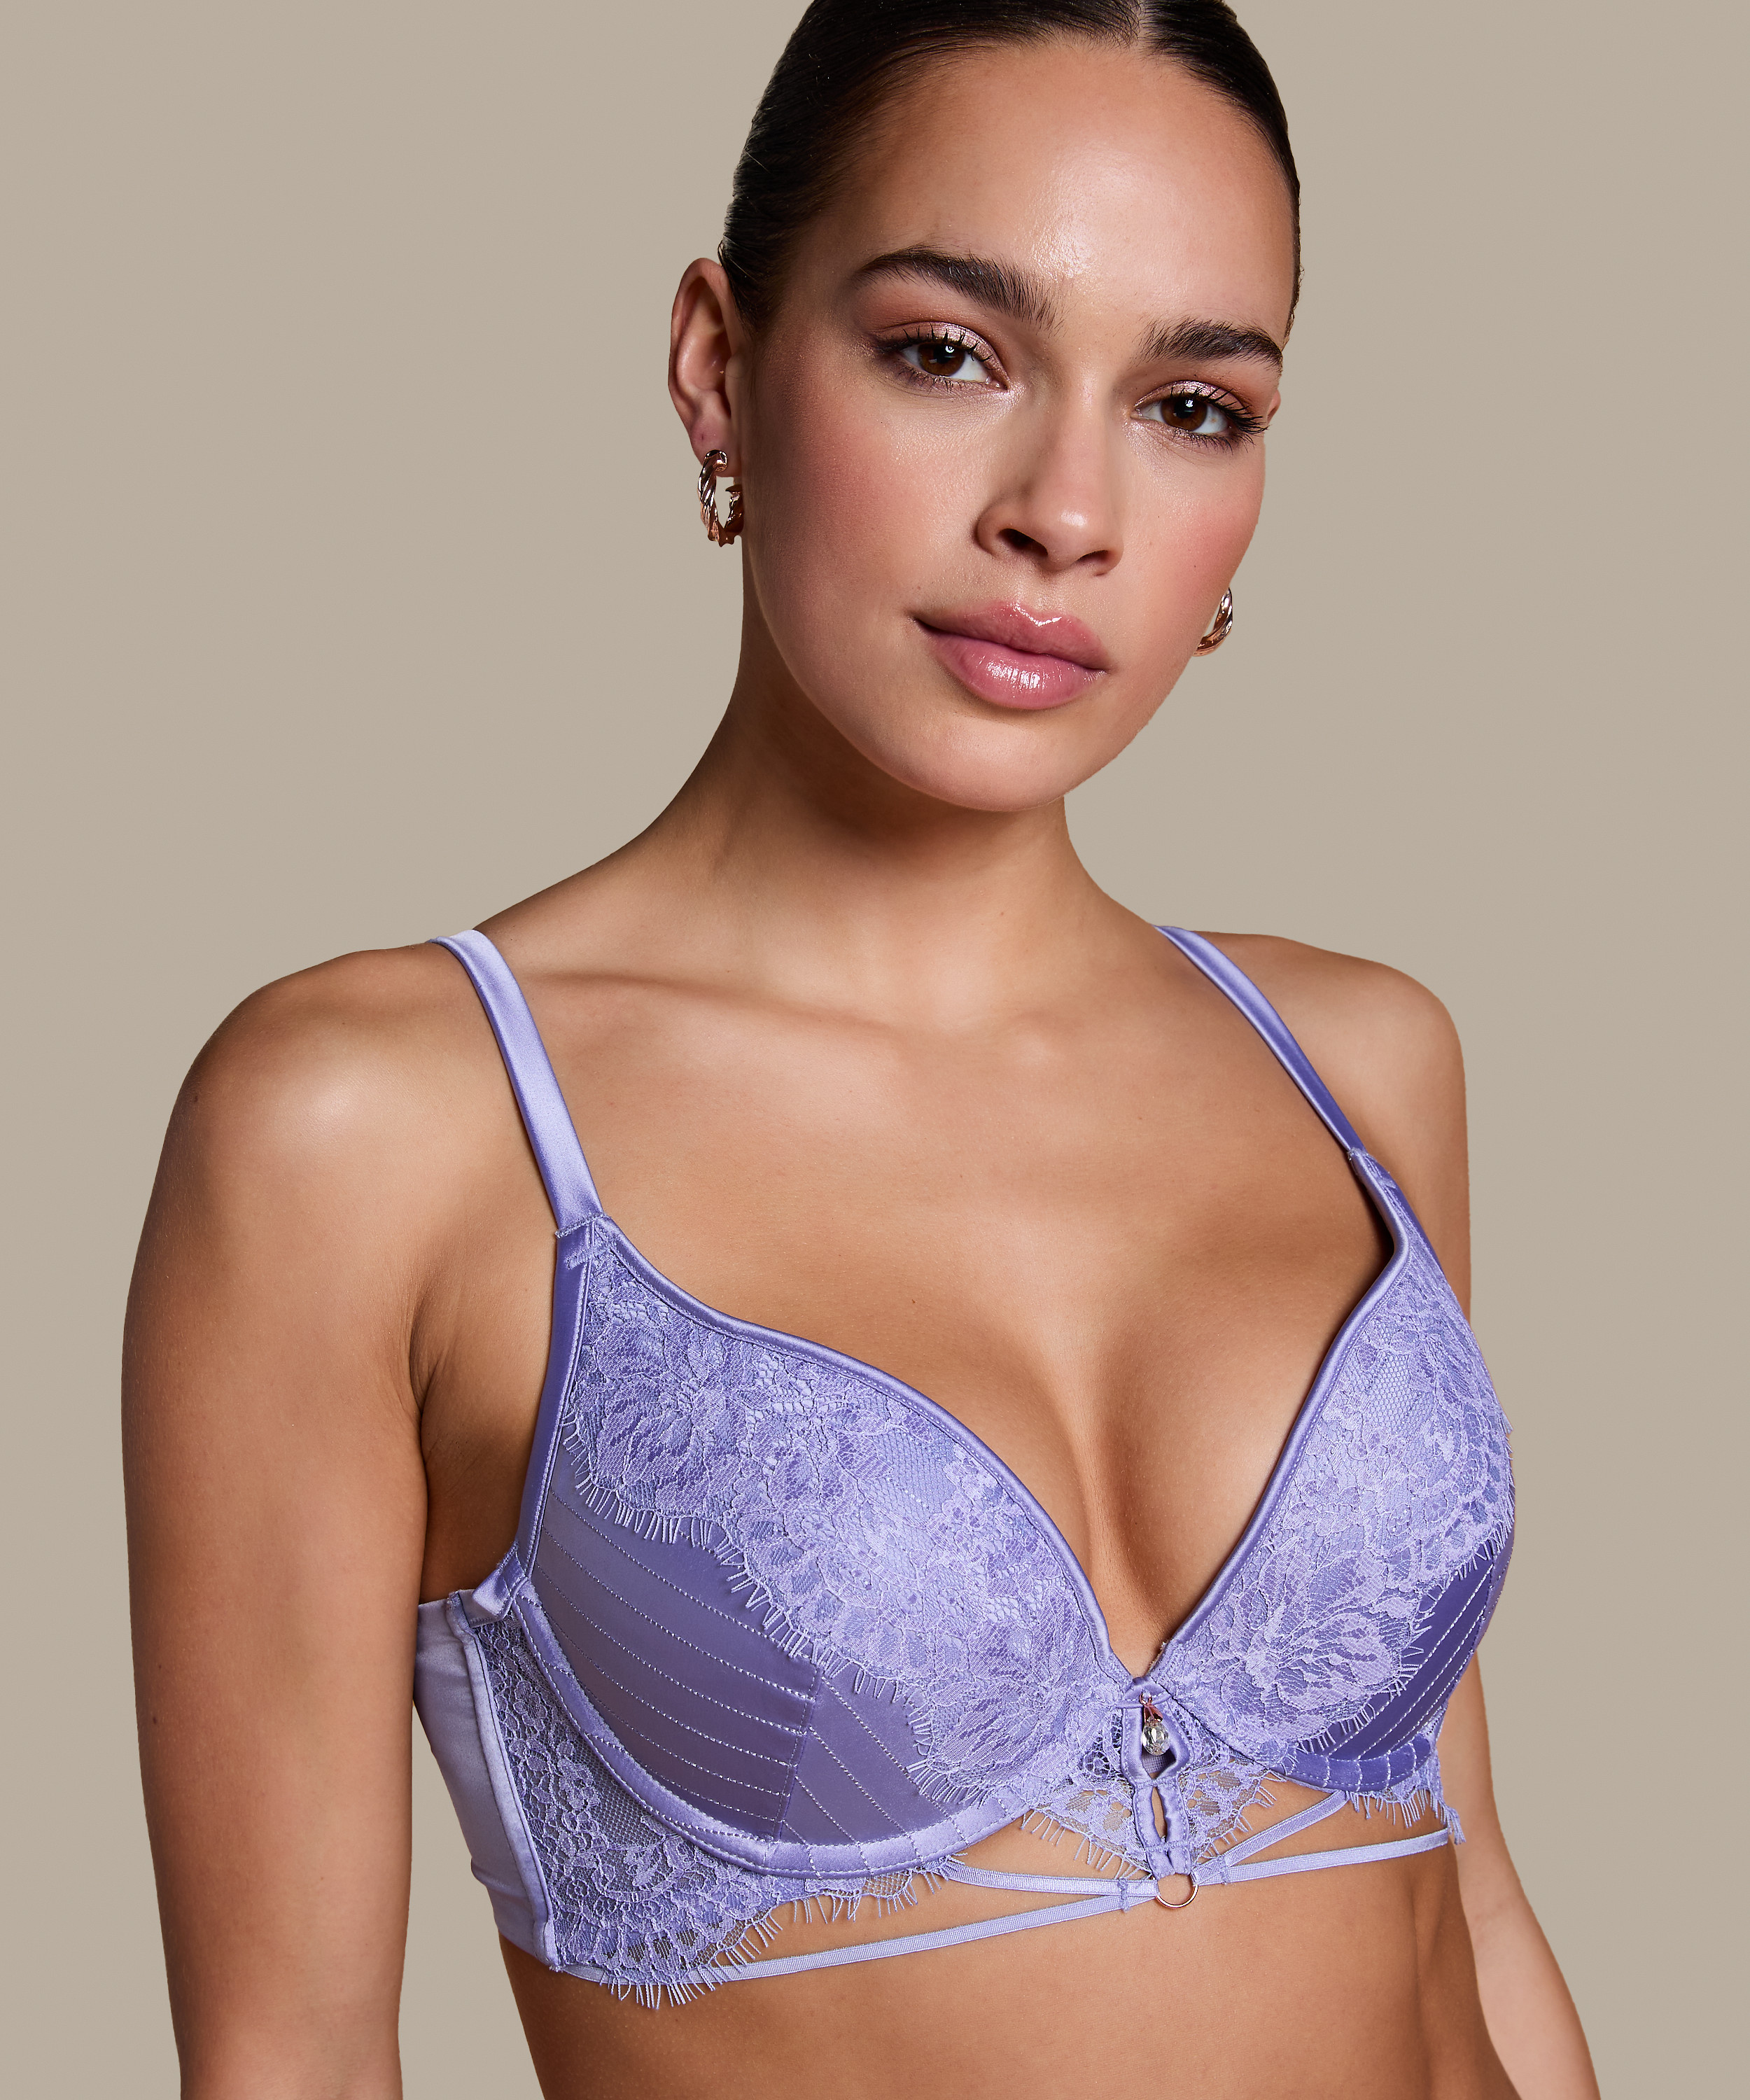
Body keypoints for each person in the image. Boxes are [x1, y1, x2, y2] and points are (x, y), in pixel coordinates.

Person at [124, 4, 1600, 2094]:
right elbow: (288, 2059)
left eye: (1191, 406)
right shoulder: (378, 1126)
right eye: (945, 354)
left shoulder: (1358, 1062)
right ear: (717, 364)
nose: (1066, 513)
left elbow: (1472, 1903)